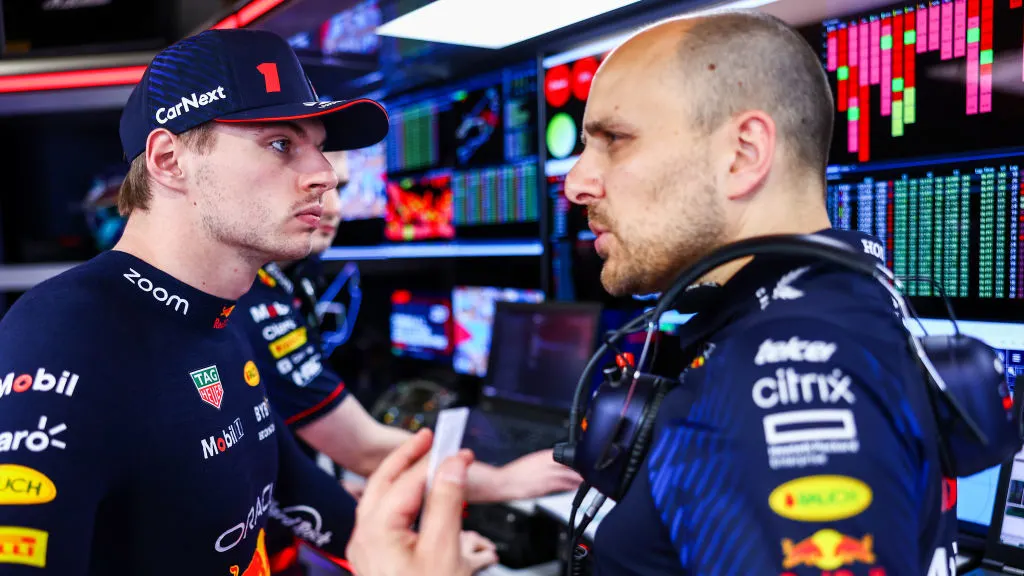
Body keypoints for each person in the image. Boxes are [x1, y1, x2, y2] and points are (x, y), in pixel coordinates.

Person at [342, 10, 962, 576]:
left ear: (743, 154)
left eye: (614, 139)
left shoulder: (781, 375)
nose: (576, 183)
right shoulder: (824, 314)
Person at [0, 28, 393, 575]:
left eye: (319, 147)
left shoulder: (221, 315)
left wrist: (410, 555)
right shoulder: (61, 337)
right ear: (168, 160)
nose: (325, 176)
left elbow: (287, 486)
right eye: (281, 143)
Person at [237, 150, 582, 572]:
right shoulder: (256, 300)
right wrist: (503, 482)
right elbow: (362, 447)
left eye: (340, 188)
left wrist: (332, 493)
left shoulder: (285, 281)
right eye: (315, 186)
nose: (335, 208)